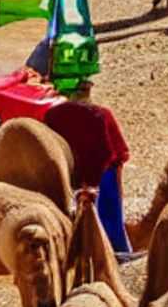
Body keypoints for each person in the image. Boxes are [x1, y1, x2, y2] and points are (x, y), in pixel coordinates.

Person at [44, 83, 132, 253]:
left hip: (68, 176)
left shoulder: (52, 115)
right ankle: (118, 252)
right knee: (110, 219)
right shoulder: (102, 114)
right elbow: (114, 153)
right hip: (99, 177)